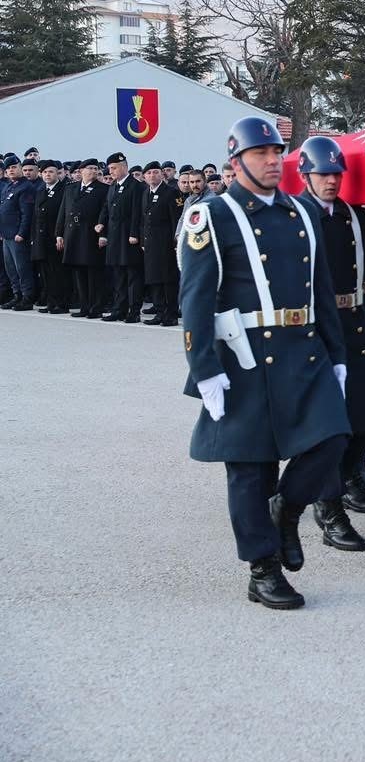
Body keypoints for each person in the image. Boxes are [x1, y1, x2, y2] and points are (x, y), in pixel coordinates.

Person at [178, 116, 351, 610]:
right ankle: (263, 569)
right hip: (244, 356)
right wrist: (203, 366)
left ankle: (287, 511)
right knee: (251, 468)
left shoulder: (301, 211)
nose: (274, 161)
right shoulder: (212, 215)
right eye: (261, 154)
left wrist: (336, 354)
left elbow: (321, 288)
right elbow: (195, 297)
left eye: (278, 152)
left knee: (332, 438)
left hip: (302, 347)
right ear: (236, 162)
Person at [294, 135, 365, 536]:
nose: (332, 181)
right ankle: (327, 506)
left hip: (357, 316)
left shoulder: (355, 215)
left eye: (336, 173)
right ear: (306, 175)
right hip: (317, 322)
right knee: (328, 422)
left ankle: (351, 477)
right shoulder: (296, 215)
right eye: (323, 174)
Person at [59, 159, 107, 318]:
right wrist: (59, 233)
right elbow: (63, 213)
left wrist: (102, 234)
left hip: (90, 235)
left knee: (93, 274)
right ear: (81, 171)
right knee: (79, 272)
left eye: (96, 168)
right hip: (73, 235)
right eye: (90, 168)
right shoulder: (71, 188)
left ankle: (96, 306)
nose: (93, 171)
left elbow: (104, 213)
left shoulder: (103, 189)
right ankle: (84, 306)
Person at [101, 152, 145, 322]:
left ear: (124, 167)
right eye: (110, 168)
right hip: (115, 237)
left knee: (133, 276)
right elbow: (107, 208)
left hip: (129, 238)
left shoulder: (136, 186)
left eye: (114, 168)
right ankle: (119, 308)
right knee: (118, 275)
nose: (110, 171)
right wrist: (101, 225)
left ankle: (134, 311)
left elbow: (137, 213)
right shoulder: (113, 186)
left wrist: (134, 234)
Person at [139, 161, 183, 326]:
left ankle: (171, 314)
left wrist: (175, 243)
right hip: (150, 244)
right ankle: (159, 312)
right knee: (154, 279)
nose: (152, 176)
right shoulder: (145, 193)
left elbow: (176, 221)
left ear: (162, 174)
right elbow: (143, 220)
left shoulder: (172, 193)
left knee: (168, 280)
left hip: (166, 245)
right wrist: (143, 240)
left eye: (156, 172)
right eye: (149, 173)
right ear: (144, 177)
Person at [30, 161, 70, 313]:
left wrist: (61, 236)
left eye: (51, 172)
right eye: (45, 172)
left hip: (56, 239)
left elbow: (65, 216)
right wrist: (33, 237)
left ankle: (62, 303)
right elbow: (35, 217)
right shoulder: (41, 191)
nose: (48, 175)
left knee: (58, 273)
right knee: (46, 273)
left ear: (58, 173)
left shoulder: (64, 190)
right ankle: (51, 302)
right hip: (41, 240)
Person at [0, 157, 36, 310]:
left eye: (14, 167)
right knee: (11, 269)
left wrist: (21, 232)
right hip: (6, 235)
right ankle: (17, 295)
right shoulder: (9, 186)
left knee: (22, 268)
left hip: (17, 236)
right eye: (8, 169)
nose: (11, 170)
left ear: (20, 168)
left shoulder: (26, 187)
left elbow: (26, 213)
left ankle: (27, 297)